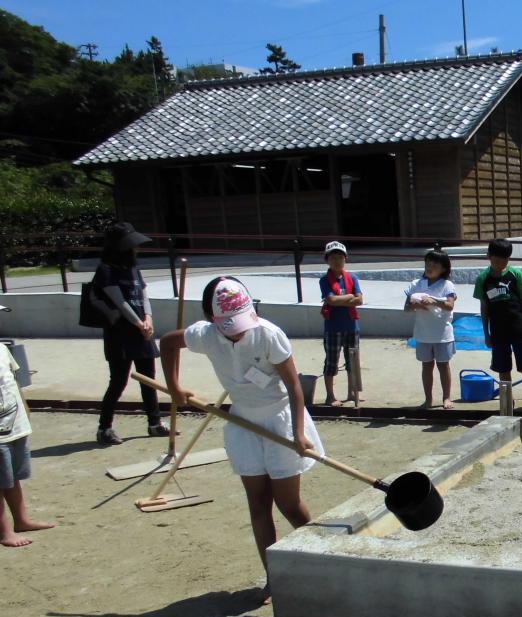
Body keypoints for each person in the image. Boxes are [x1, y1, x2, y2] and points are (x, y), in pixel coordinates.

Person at [160, 277, 323, 592]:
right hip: (244, 424)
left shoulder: (268, 335)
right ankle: (273, 579)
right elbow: (167, 342)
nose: (238, 331)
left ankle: (329, 557)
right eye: (229, 326)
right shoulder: (205, 335)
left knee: (288, 503)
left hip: (281, 422)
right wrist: (174, 387)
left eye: (241, 323)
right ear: (212, 319)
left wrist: (299, 434)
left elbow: (294, 388)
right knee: (258, 504)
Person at [94, 222, 169, 445]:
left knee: (149, 380)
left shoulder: (133, 269)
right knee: (118, 381)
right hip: (120, 334)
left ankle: (154, 423)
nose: (136, 249)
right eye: (131, 246)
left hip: (142, 333)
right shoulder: (106, 270)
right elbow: (119, 301)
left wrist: (148, 319)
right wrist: (138, 323)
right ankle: (104, 428)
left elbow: (143, 295)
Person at [475, 238, 522, 415]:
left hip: (518, 328)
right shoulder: (483, 279)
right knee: (503, 369)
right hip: (498, 331)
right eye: (496, 260)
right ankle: (506, 405)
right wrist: (486, 334)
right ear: (489, 257)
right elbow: (484, 308)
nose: (500, 264)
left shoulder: (515, 275)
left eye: (504, 260)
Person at [1, 342, 54, 547]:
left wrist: (26, 410)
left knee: (13, 477)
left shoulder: (2, 349)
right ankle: (4, 531)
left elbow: (14, 382)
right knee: (0, 483)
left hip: (16, 425)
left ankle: (21, 520)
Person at [404, 248, 458, 409]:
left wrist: (434, 301)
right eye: (428, 263)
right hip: (423, 334)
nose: (430, 266)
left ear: (443, 268)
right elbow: (406, 307)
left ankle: (446, 398)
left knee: (443, 365)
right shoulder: (416, 284)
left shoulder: (447, 285)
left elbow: (449, 305)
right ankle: (428, 399)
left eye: (434, 264)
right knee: (426, 366)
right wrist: (417, 304)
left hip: (442, 334)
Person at [319, 240, 363, 407]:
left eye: (340, 257)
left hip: (352, 325)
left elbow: (360, 299)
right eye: (333, 257)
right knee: (331, 361)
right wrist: (349, 298)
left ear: (345, 259)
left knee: (353, 360)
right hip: (333, 327)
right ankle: (330, 396)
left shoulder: (352, 277)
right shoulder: (324, 280)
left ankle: (352, 392)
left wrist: (341, 300)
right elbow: (331, 299)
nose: (337, 260)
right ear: (327, 260)